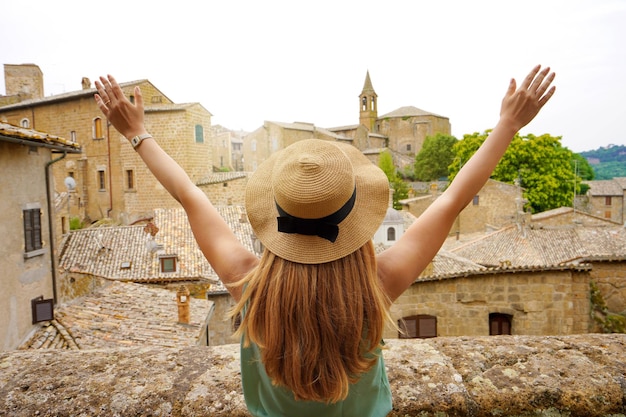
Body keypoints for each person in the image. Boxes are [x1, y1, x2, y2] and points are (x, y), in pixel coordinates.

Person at [94, 65, 555, 416]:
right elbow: (453, 199)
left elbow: (190, 196)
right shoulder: (377, 284)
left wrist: (136, 132)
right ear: (355, 215)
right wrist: (508, 126)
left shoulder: (247, 285)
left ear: (276, 215)